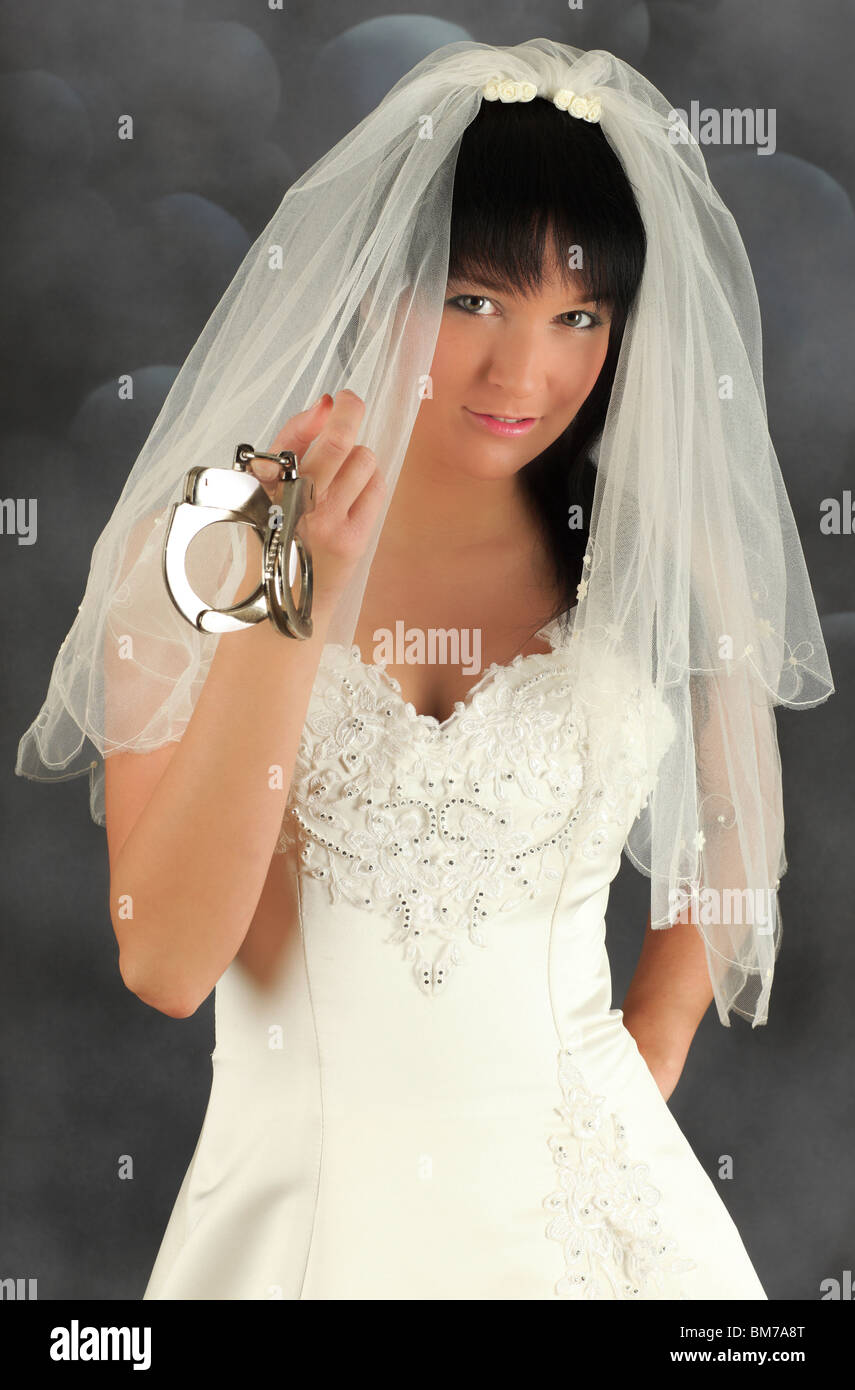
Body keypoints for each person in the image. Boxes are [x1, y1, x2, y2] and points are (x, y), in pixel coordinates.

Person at [16, 39, 833, 1299]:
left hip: (603, 1229)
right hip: (310, 1227)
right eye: (473, 301)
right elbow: (168, 961)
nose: (527, 373)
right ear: (379, 282)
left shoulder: (644, 553)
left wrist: (640, 1061)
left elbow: (733, 828)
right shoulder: (210, 542)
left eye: (579, 318)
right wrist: (299, 601)